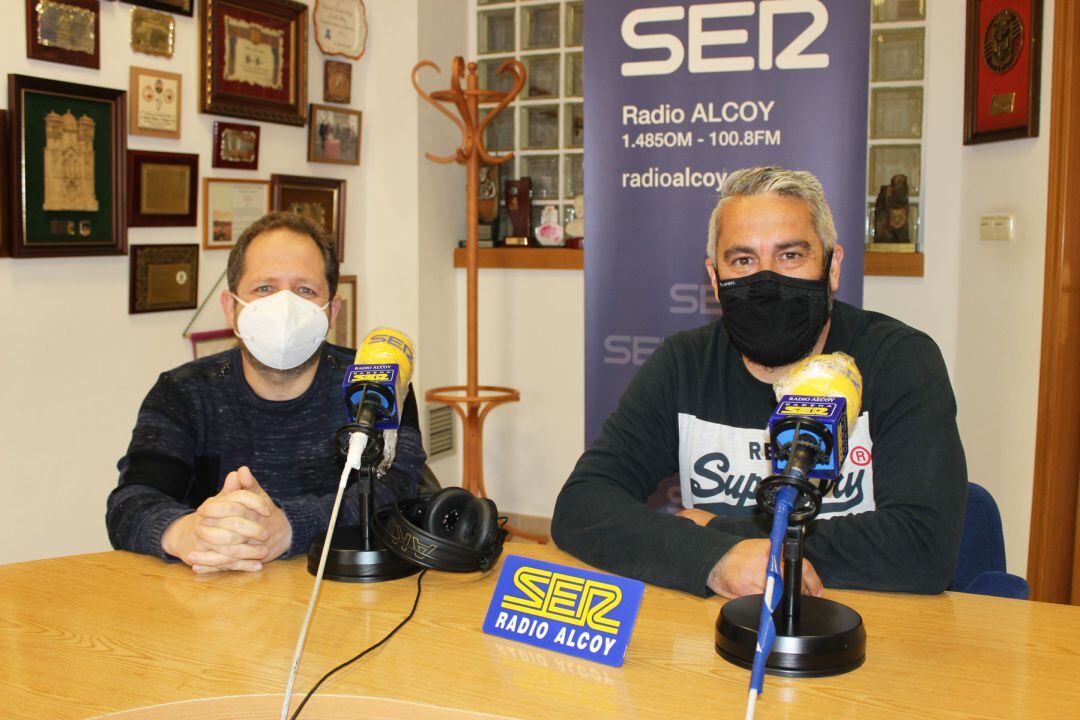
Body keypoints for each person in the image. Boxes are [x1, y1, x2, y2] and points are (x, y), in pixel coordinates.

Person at [551, 166, 966, 598]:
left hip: (863, 627)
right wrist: (716, 560)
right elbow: (583, 504)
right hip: (716, 632)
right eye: (744, 260)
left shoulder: (898, 360)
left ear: (832, 266)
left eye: (790, 256)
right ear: (715, 279)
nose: (766, 280)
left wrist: (717, 535)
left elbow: (923, 544)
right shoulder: (683, 365)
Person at [107, 212, 425, 573]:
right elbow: (130, 502)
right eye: (264, 289)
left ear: (332, 310)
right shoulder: (184, 392)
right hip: (218, 604)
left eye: (305, 290)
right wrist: (185, 532)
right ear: (231, 308)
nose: (284, 308)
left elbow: (399, 493)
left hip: (345, 601)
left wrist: (289, 528)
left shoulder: (375, 385)